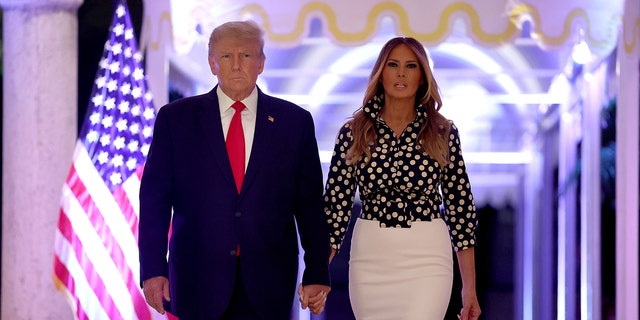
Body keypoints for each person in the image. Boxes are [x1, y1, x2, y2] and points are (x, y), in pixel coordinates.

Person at [138, 20, 331, 319]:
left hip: (270, 282)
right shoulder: (176, 120)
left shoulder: (294, 122)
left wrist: (317, 271)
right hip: (197, 278)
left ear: (261, 63)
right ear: (212, 63)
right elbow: (154, 201)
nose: (237, 65)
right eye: (227, 56)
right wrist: (152, 269)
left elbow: (309, 206)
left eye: (246, 55)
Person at [323, 37, 481, 320]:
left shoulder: (443, 131)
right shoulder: (354, 132)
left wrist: (469, 289)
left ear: (422, 77)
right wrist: (317, 274)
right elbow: (335, 209)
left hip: (427, 256)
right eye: (393, 65)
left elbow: (460, 210)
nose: (401, 73)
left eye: (411, 66)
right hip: (370, 256)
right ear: (380, 73)